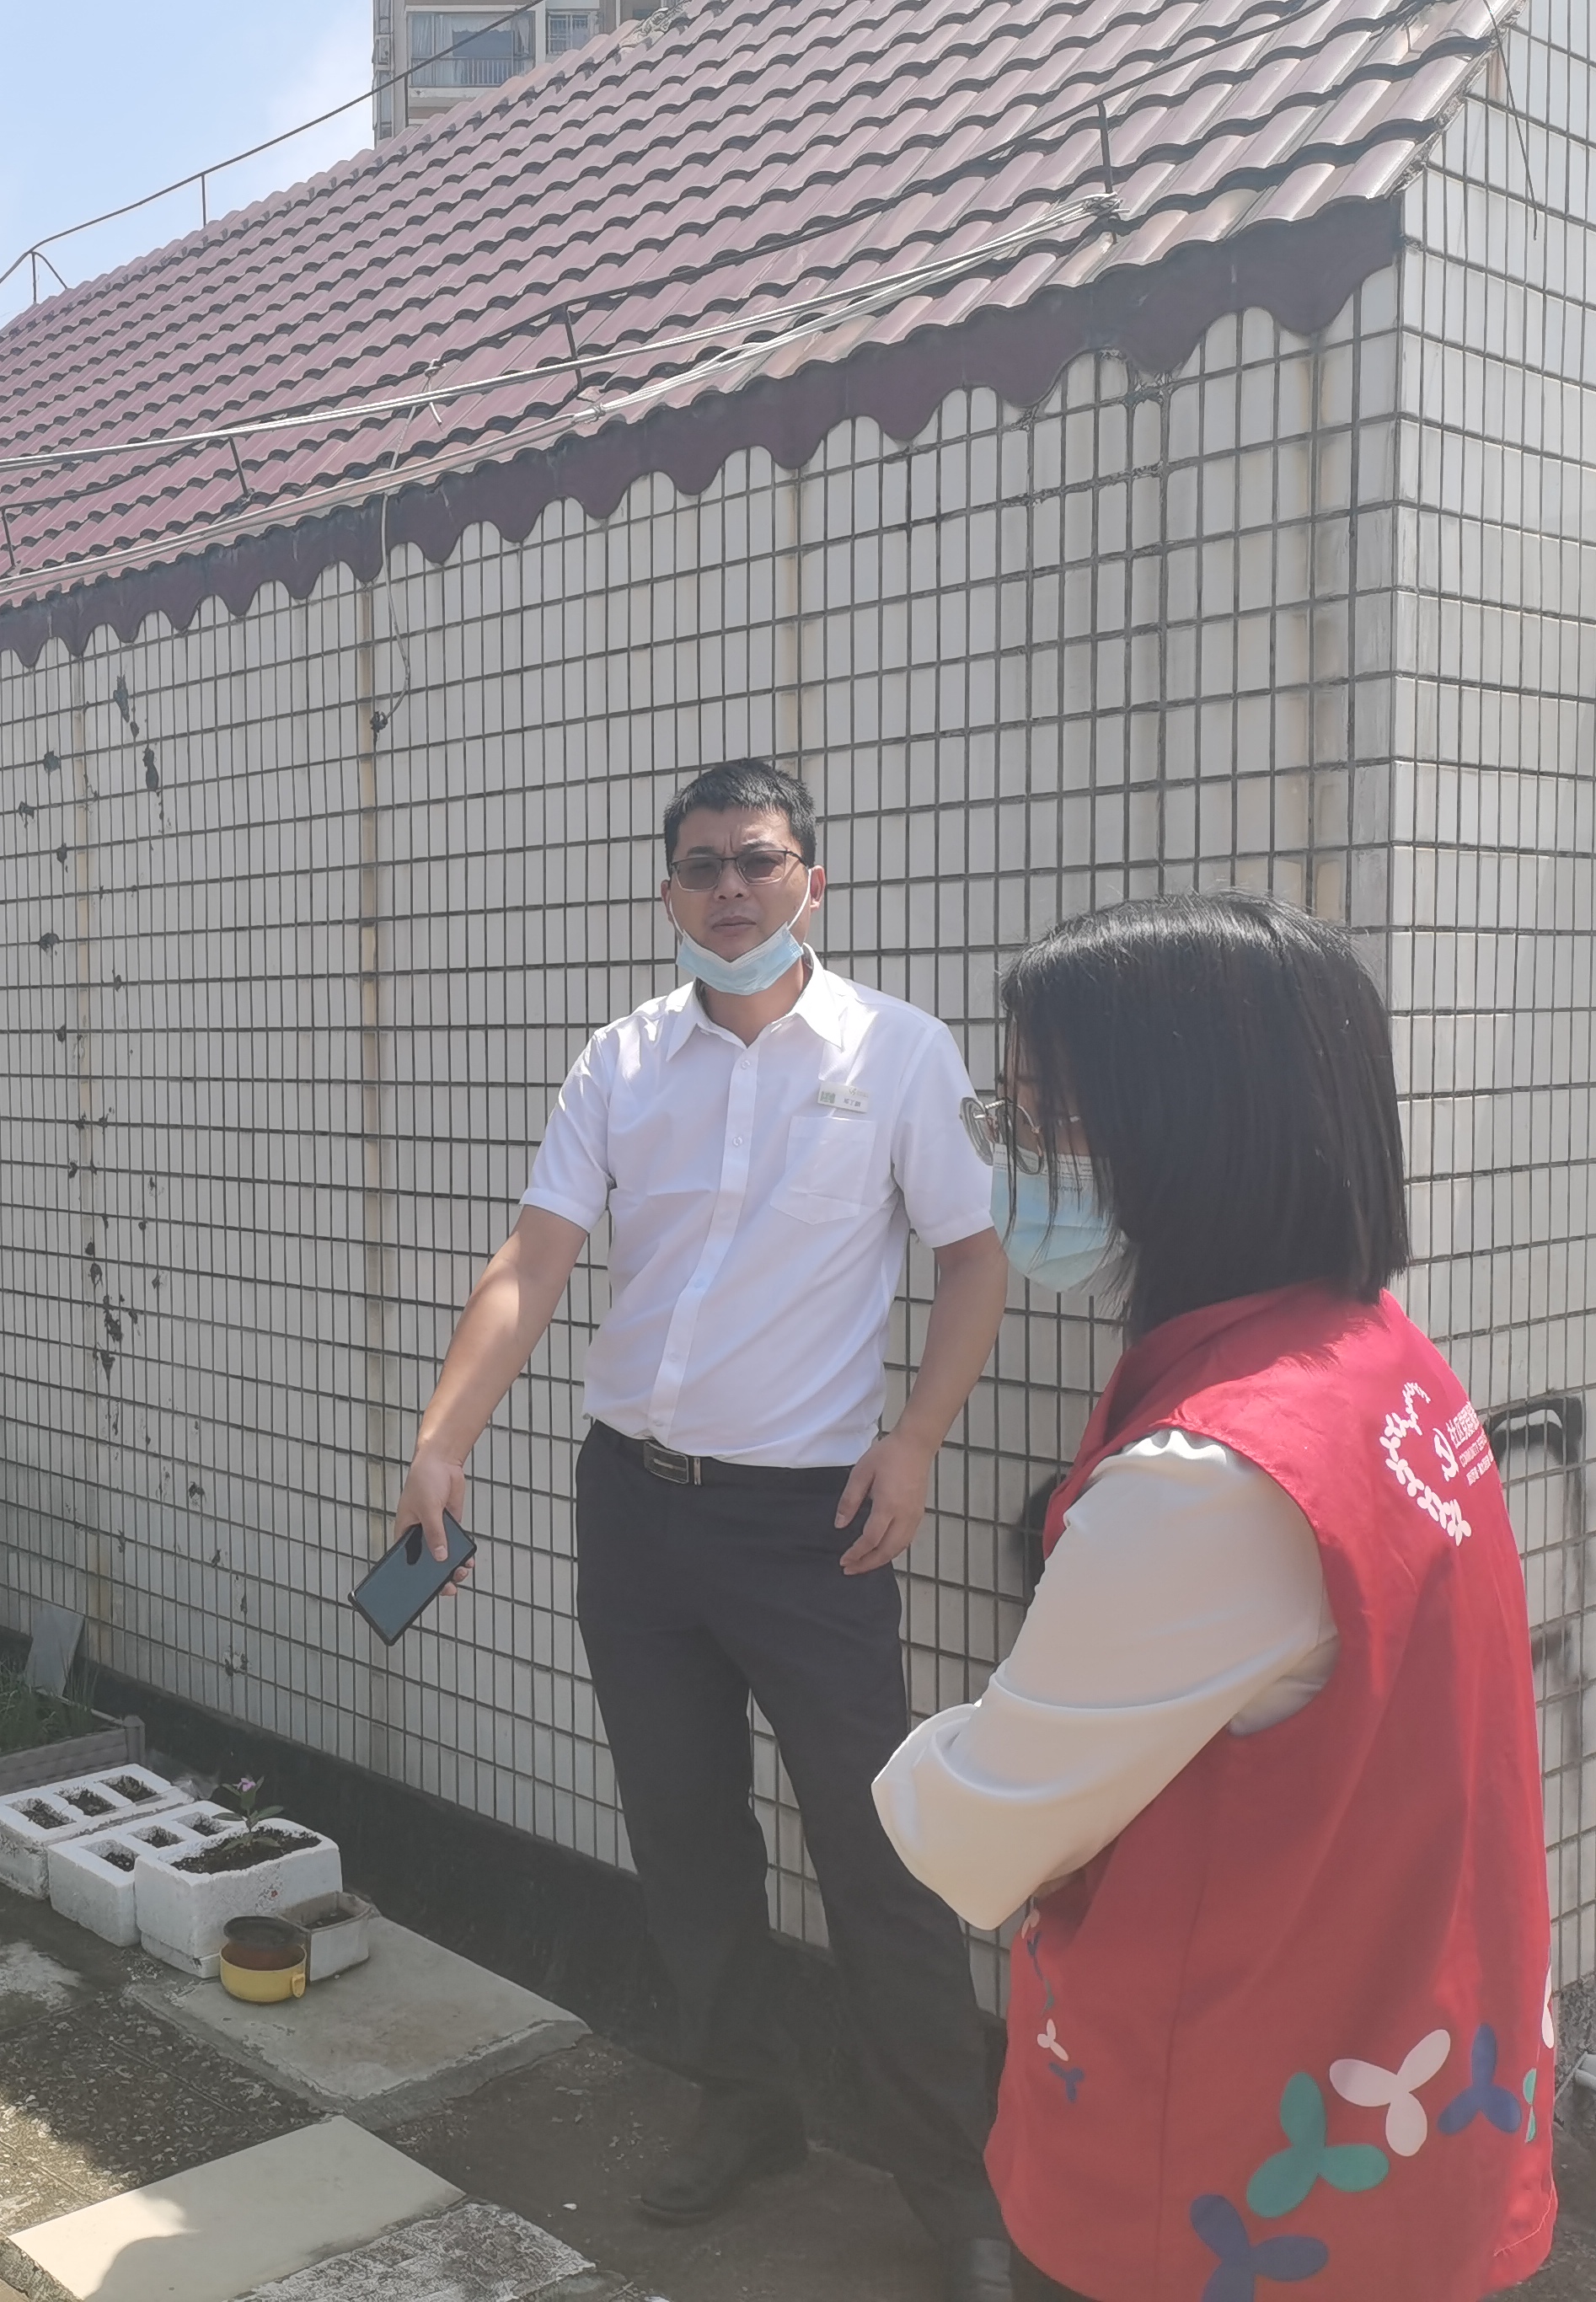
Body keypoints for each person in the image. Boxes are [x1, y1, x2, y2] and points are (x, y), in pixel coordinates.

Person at [873, 889, 1556, 2301]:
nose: (1013, 1154)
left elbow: (985, 1831)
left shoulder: (1215, 1475)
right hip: (1397, 2098)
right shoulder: (1383, 1358)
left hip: (1213, 2170)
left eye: (1047, 1115)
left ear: (1191, 1128)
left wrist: (916, 1761)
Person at [392, 760, 1016, 2302]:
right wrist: (442, 1439)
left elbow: (974, 1257)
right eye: (701, 866)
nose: (729, 888)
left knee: (878, 1854)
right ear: (667, 891)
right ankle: (746, 2104)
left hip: (812, 1525)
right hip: (636, 1510)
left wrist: (917, 1439)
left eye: (757, 859)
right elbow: (533, 1262)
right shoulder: (622, 1061)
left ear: (813, 879)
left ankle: (957, 2185)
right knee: (683, 1833)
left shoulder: (899, 1053)